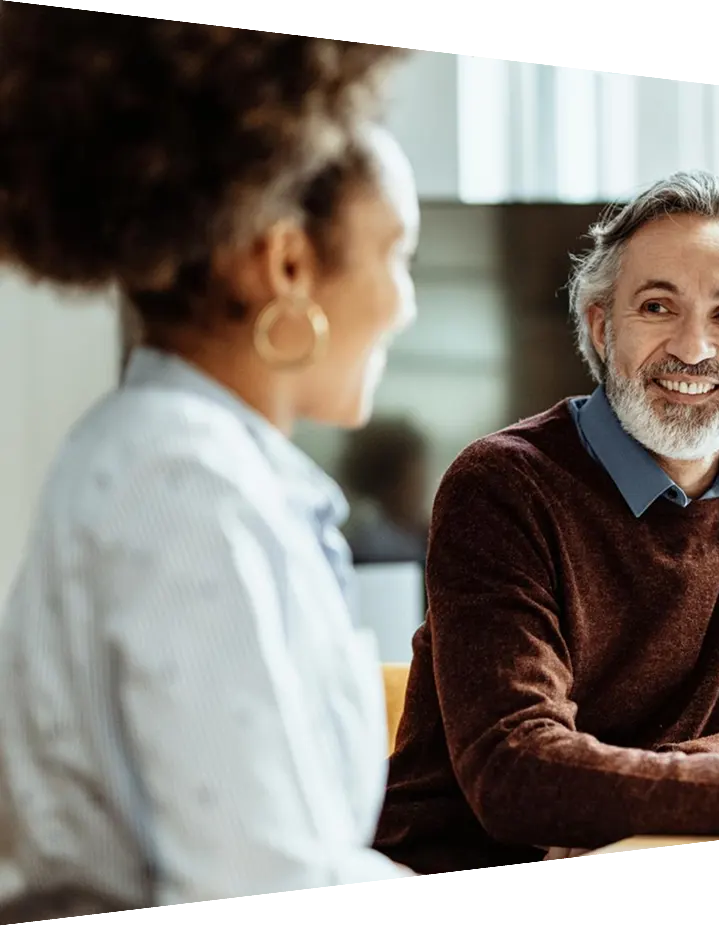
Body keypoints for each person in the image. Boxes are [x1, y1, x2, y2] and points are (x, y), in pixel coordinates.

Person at [374, 170, 719, 875]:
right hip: (472, 887)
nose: (694, 349)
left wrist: (624, 796)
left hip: (669, 864)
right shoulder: (500, 484)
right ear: (600, 325)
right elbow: (516, 773)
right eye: (656, 306)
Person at [0, 3, 420, 915]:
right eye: (398, 254)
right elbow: (261, 890)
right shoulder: (183, 484)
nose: (406, 305)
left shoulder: (193, 461)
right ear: (284, 266)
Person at [338, 416, 431, 567]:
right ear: (390, 486)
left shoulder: (420, 532)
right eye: (415, 480)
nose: (423, 488)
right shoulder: (369, 541)